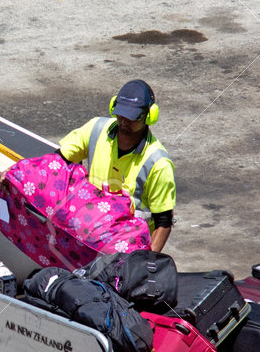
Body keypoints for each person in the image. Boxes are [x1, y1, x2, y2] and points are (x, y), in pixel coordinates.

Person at [58, 80, 176, 252]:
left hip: (128, 250)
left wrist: (145, 262)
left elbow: (163, 222)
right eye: (121, 114)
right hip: (87, 239)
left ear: (150, 115)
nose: (124, 120)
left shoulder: (158, 164)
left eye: (133, 116)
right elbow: (58, 162)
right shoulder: (95, 129)